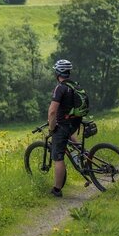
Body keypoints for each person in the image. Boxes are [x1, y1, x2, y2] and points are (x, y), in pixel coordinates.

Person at [47, 59, 82, 197]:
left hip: (64, 125)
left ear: (57, 73)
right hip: (75, 123)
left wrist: (52, 128)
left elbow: (52, 112)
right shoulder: (75, 85)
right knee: (71, 138)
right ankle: (82, 159)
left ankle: (57, 190)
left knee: (58, 157)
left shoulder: (60, 88)